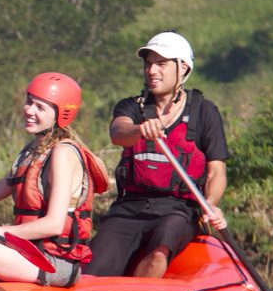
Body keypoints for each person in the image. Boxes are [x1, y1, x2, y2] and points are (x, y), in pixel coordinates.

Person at [0, 73, 109, 287]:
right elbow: (4, 186)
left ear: (61, 114)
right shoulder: (34, 149)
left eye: (40, 107)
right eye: (29, 102)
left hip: (54, 263)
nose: (29, 110)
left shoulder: (63, 153)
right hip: (27, 251)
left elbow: (54, 224)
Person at [83, 32, 229, 278]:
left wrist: (211, 204)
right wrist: (139, 130)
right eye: (148, 63)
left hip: (179, 210)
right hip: (130, 208)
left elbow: (217, 171)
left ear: (182, 68)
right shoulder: (131, 107)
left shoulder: (205, 112)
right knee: (93, 270)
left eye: (161, 64)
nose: (152, 70)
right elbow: (118, 132)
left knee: (158, 254)